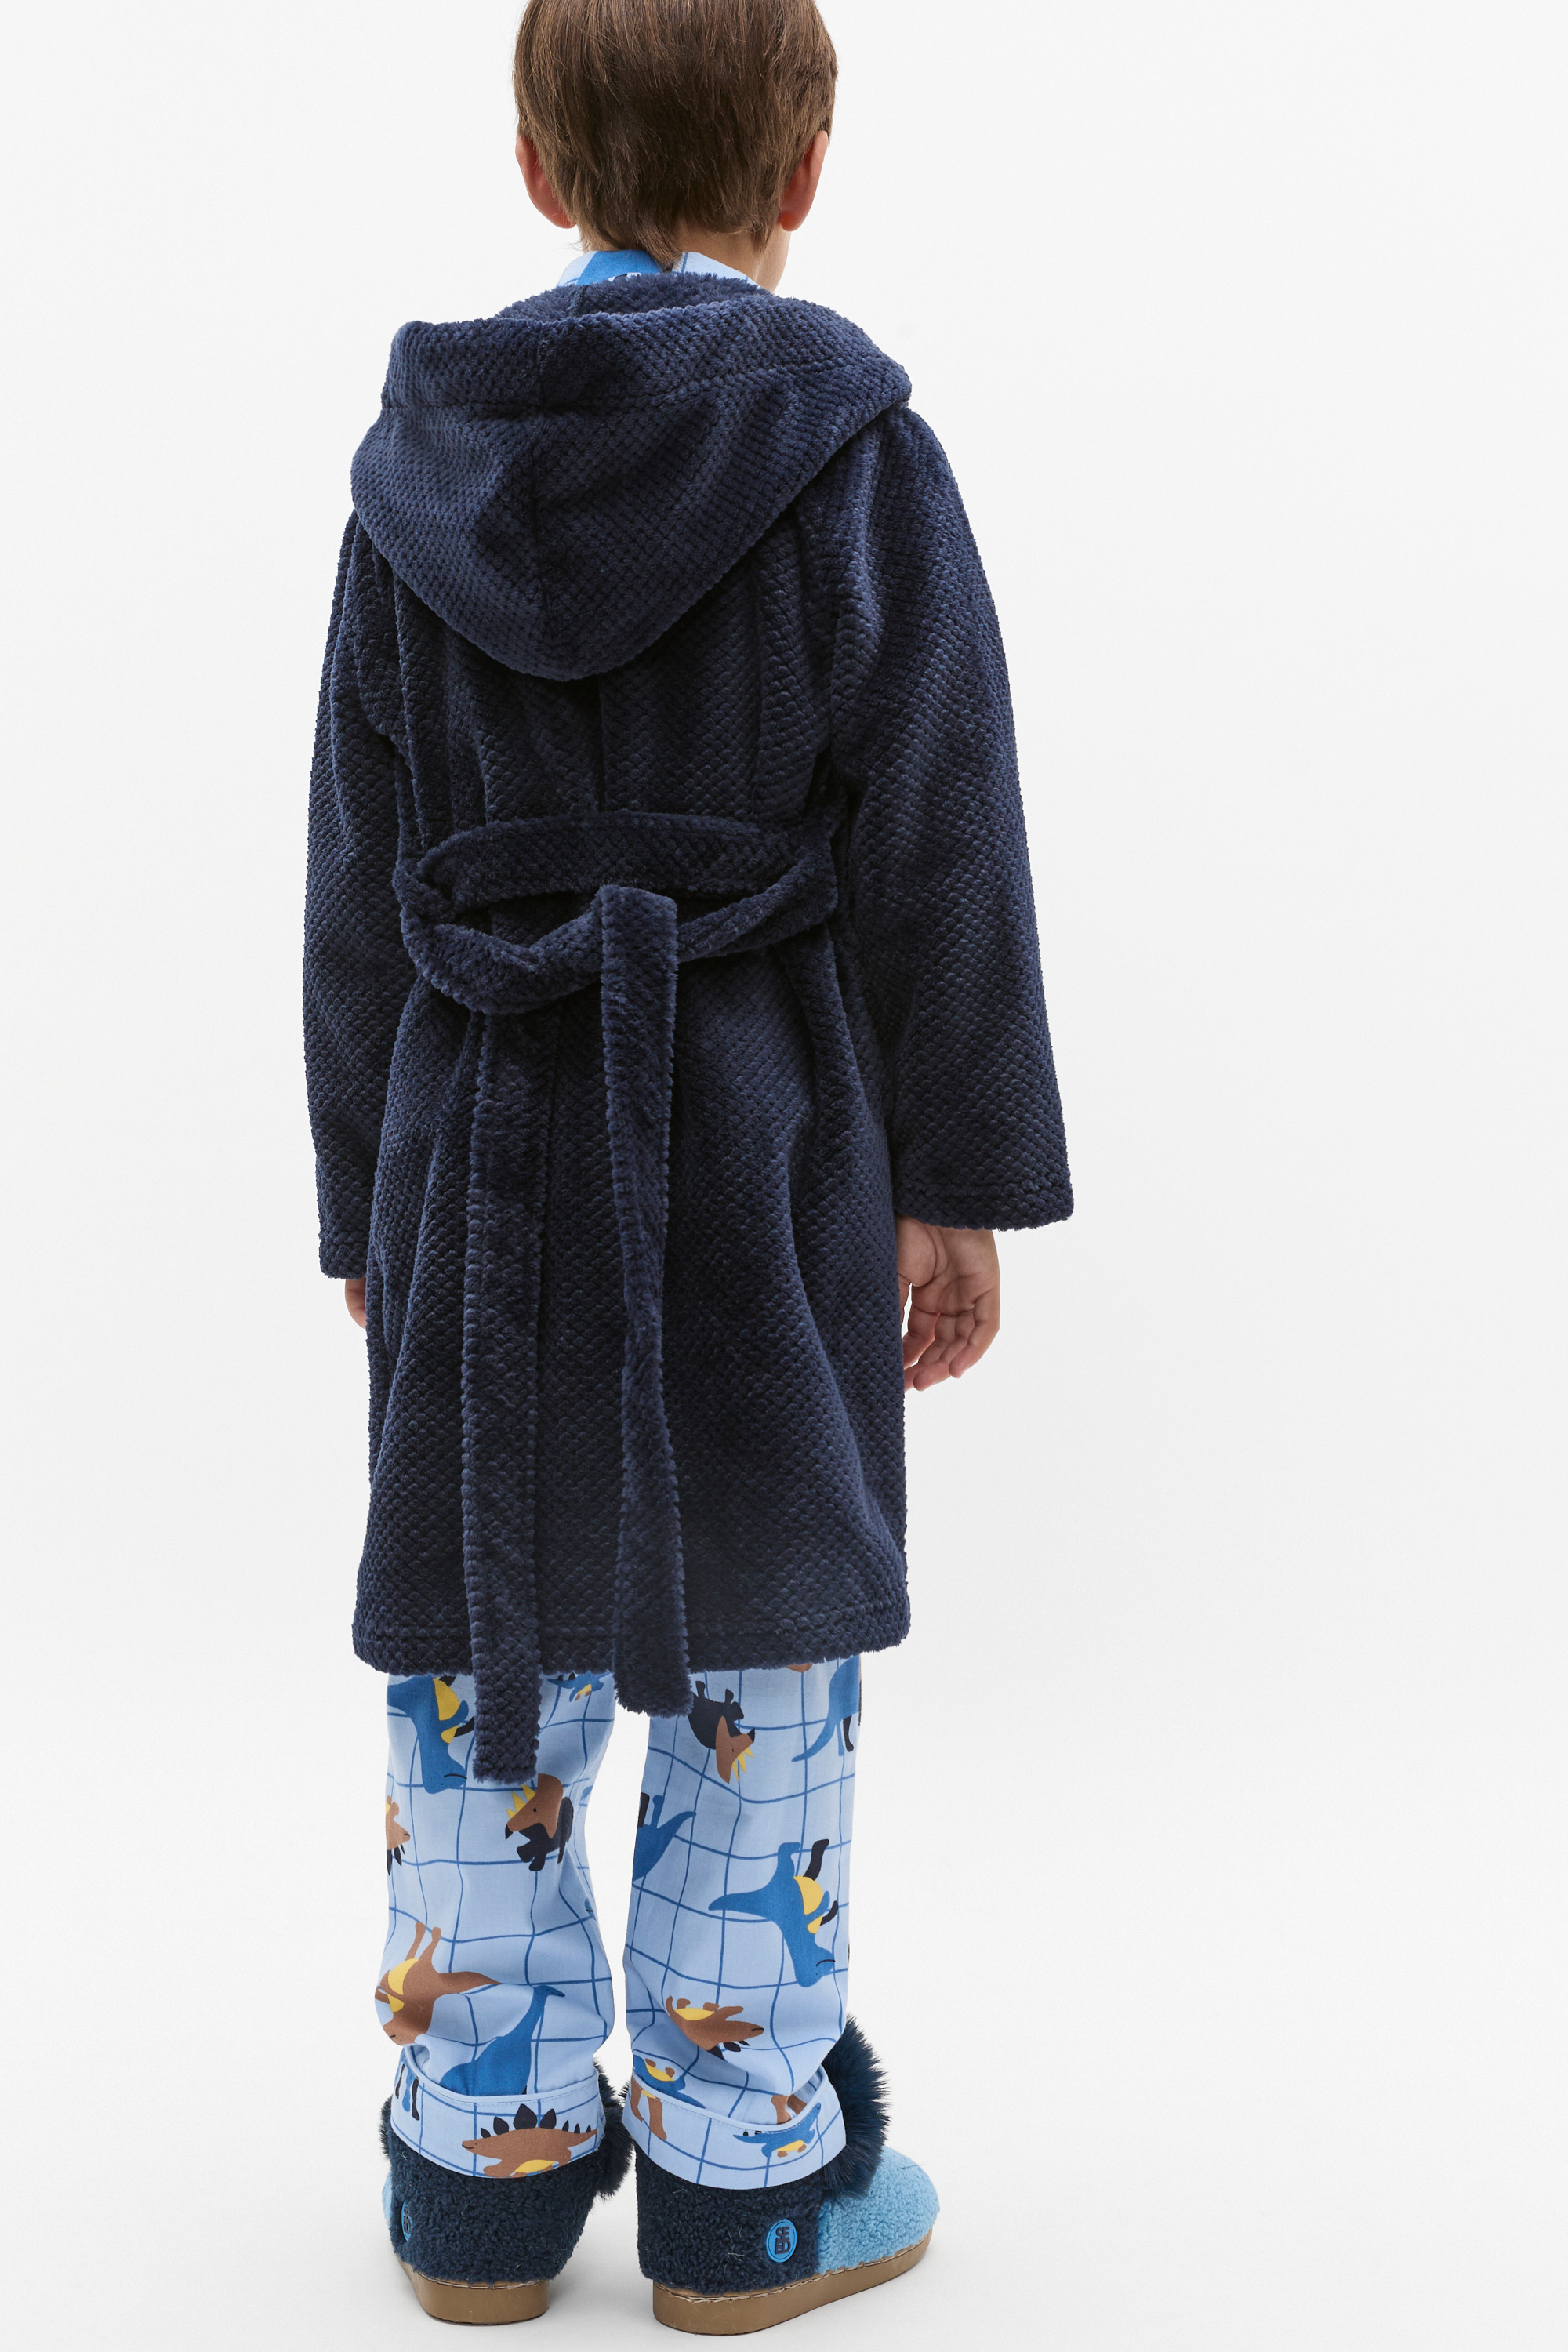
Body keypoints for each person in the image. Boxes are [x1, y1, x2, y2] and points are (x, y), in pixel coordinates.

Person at [304, 0, 1072, 2328]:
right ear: (806, 170)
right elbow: (943, 826)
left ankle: (481, 2174)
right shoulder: (854, 448)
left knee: (487, 1622)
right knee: (762, 1633)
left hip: (477, 1133)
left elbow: (355, 872)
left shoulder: (415, 473)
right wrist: (955, 1177)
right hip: (764, 1132)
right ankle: (746, 2188)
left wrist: (363, 1196)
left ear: (540, 166)